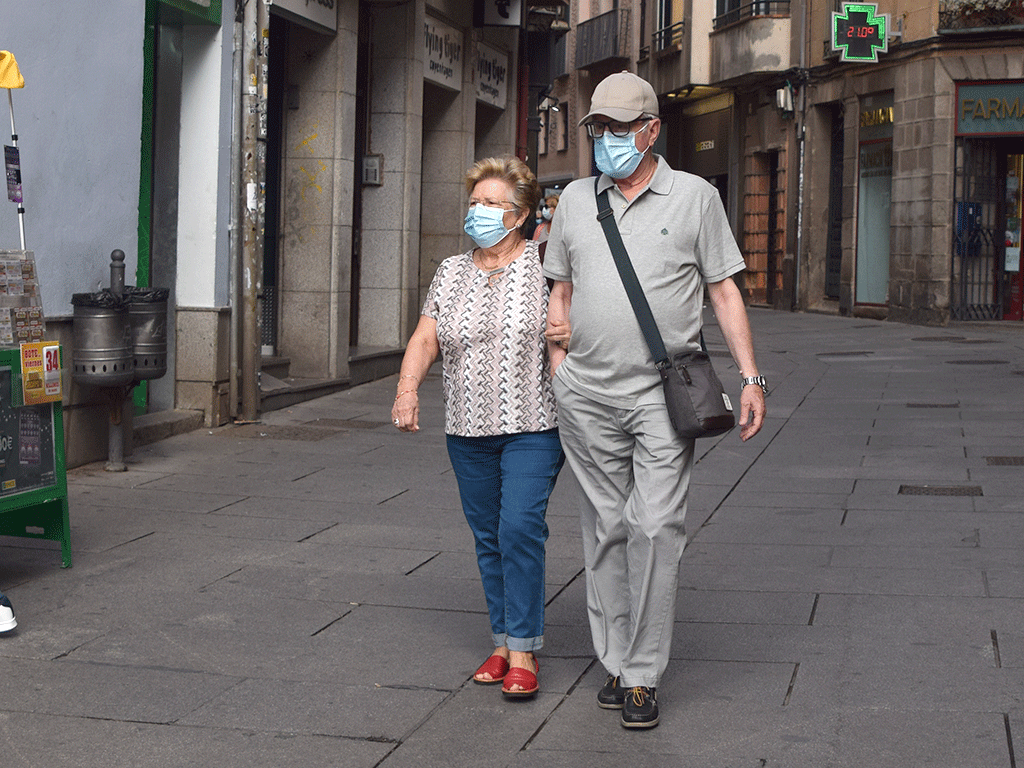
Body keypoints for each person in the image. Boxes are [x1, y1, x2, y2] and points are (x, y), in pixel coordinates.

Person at [543, 71, 767, 729]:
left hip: (660, 394)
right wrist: (559, 364)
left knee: (656, 526)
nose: (607, 140)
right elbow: (560, 287)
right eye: (598, 128)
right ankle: (615, 660)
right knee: (606, 528)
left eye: (619, 128)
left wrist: (750, 378)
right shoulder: (577, 201)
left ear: (650, 130)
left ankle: (642, 674)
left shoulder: (695, 196)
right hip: (585, 394)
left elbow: (724, 292)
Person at [392, 156, 564, 699]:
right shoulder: (450, 271)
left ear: (520, 215)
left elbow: (565, 338)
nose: (480, 212)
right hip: (466, 428)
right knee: (488, 537)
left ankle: (524, 650)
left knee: (519, 527)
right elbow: (426, 338)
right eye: (475, 202)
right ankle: (503, 639)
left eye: (492, 204)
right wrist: (406, 389)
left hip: (533, 424)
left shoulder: (545, 269)